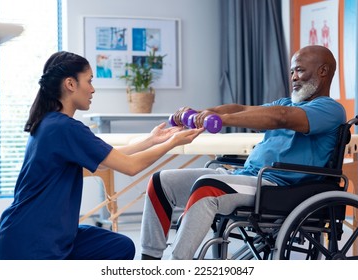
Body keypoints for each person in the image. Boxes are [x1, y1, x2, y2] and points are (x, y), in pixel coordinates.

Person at [140, 45, 346, 260]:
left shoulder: (330, 109)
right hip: (246, 177)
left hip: (278, 187)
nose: (293, 77)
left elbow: (282, 117)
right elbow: (242, 109)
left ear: (323, 71)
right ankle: (149, 261)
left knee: (207, 188)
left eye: (300, 70)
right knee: (160, 182)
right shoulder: (284, 103)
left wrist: (223, 120)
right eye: (292, 71)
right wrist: (202, 113)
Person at [0, 51, 203, 260]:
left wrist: (152, 140)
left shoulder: (51, 123)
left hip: (40, 234)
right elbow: (130, 166)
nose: (93, 89)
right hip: (31, 243)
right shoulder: (64, 128)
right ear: (70, 84)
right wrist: (172, 143)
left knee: (119, 246)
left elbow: (106, 160)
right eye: (89, 81)